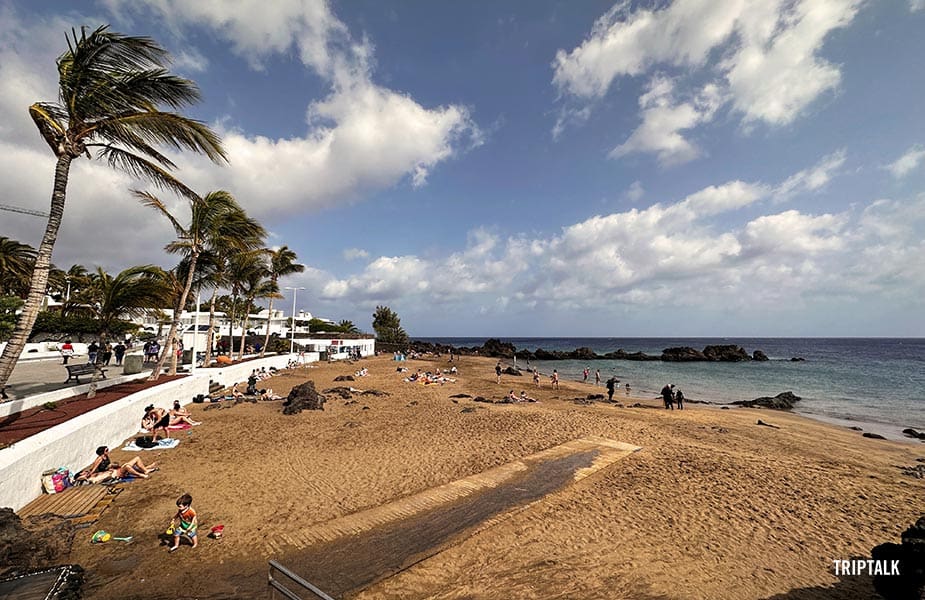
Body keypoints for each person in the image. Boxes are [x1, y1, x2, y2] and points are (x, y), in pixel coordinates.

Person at [77, 446, 158, 482]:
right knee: (127, 466)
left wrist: (113, 465)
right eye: (106, 450)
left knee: (137, 458)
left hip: (112, 470)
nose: (108, 451)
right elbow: (94, 468)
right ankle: (143, 473)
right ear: (103, 452)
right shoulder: (99, 459)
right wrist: (90, 473)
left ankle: (145, 469)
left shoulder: (106, 456)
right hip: (111, 472)